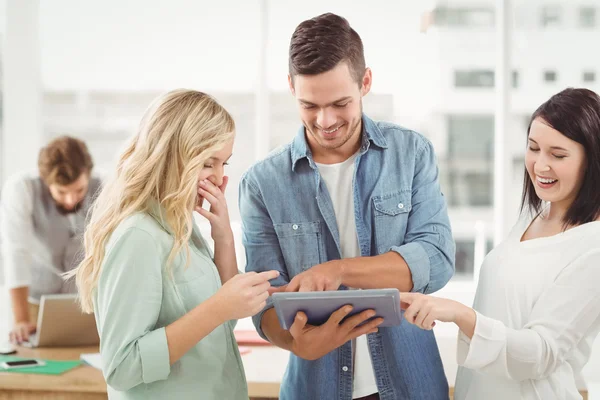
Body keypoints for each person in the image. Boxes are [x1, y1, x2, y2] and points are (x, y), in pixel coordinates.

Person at [239, 13, 455, 400]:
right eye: (310, 105)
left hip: (412, 386)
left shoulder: (411, 154)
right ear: (291, 87)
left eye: (340, 103)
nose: (325, 121)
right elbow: (265, 304)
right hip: (314, 389)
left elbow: (436, 259)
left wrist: (337, 270)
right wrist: (293, 343)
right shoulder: (262, 183)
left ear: (365, 82)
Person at [67, 89, 278, 399]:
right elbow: (121, 366)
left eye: (224, 164)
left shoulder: (182, 227)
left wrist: (223, 237)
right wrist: (218, 308)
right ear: (172, 156)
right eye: (208, 163)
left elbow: (222, 324)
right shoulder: (139, 236)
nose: (219, 178)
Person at [400, 88, 600, 400]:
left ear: (592, 161)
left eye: (558, 155)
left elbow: (540, 352)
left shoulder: (593, 246)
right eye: (533, 148)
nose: (540, 165)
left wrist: (459, 314)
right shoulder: (533, 217)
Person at [1, 136, 102, 344]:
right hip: (34, 304)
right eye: (61, 191)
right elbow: (16, 253)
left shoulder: (104, 186)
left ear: (88, 175)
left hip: (85, 305)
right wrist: (21, 320)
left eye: (79, 190)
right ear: (46, 181)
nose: (71, 200)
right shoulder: (22, 189)